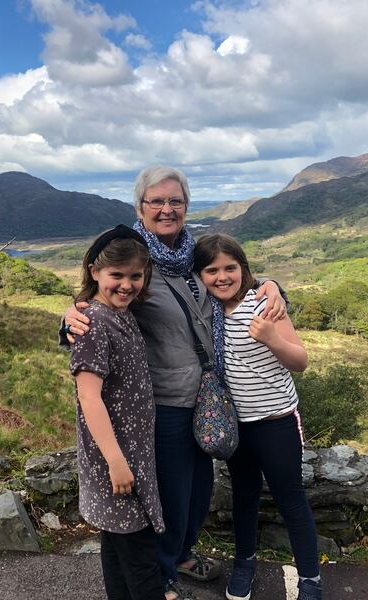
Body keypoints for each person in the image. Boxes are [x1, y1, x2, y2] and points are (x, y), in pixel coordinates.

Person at [63, 165, 288, 600]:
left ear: (186, 206)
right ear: (140, 208)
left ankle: (180, 556)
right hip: (163, 403)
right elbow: (96, 307)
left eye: (176, 201)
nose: (167, 209)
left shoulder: (195, 254)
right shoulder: (132, 259)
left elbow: (234, 280)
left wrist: (273, 286)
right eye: (156, 202)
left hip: (204, 399)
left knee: (197, 496)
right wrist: (66, 319)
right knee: (168, 499)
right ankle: (161, 578)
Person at [194, 233, 322, 600]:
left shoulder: (264, 303)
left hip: (276, 422)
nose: (222, 276)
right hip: (236, 426)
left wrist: (272, 338)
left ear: (243, 268)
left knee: (291, 499)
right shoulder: (206, 312)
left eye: (230, 268)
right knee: (244, 497)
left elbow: (299, 361)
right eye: (211, 270)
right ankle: (245, 564)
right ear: (200, 275)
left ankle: (310, 579)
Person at [69, 225, 166, 600]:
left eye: (135, 276)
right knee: (142, 563)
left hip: (128, 457)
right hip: (118, 462)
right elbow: (89, 397)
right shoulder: (93, 324)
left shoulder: (120, 313)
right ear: (95, 272)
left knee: (116, 549)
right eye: (117, 275)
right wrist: (115, 461)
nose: (126, 285)